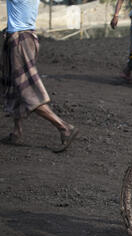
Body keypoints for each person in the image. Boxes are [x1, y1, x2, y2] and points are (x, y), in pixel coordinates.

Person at [1, 0, 78, 152]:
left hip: (20, 41)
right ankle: (17, 131)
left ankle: (64, 127)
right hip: (26, 37)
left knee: (27, 90)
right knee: (17, 85)